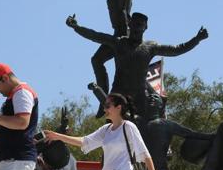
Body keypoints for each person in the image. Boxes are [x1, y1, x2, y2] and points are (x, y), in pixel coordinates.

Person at [67, 12, 208, 121]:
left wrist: (197, 39)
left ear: (145, 27)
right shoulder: (119, 42)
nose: (136, 28)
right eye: (134, 24)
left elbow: (177, 49)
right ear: (129, 24)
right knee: (111, 131)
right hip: (118, 94)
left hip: (139, 97)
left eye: (140, 25)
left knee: (149, 128)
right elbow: (96, 36)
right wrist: (76, 27)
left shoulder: (151, 47)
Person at [91, 0, 138, 117]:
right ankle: (104, 98)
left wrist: (130, 41)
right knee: (97, 60)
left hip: (122, 35)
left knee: (101, 62)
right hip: (117, 34)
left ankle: (107, 99)